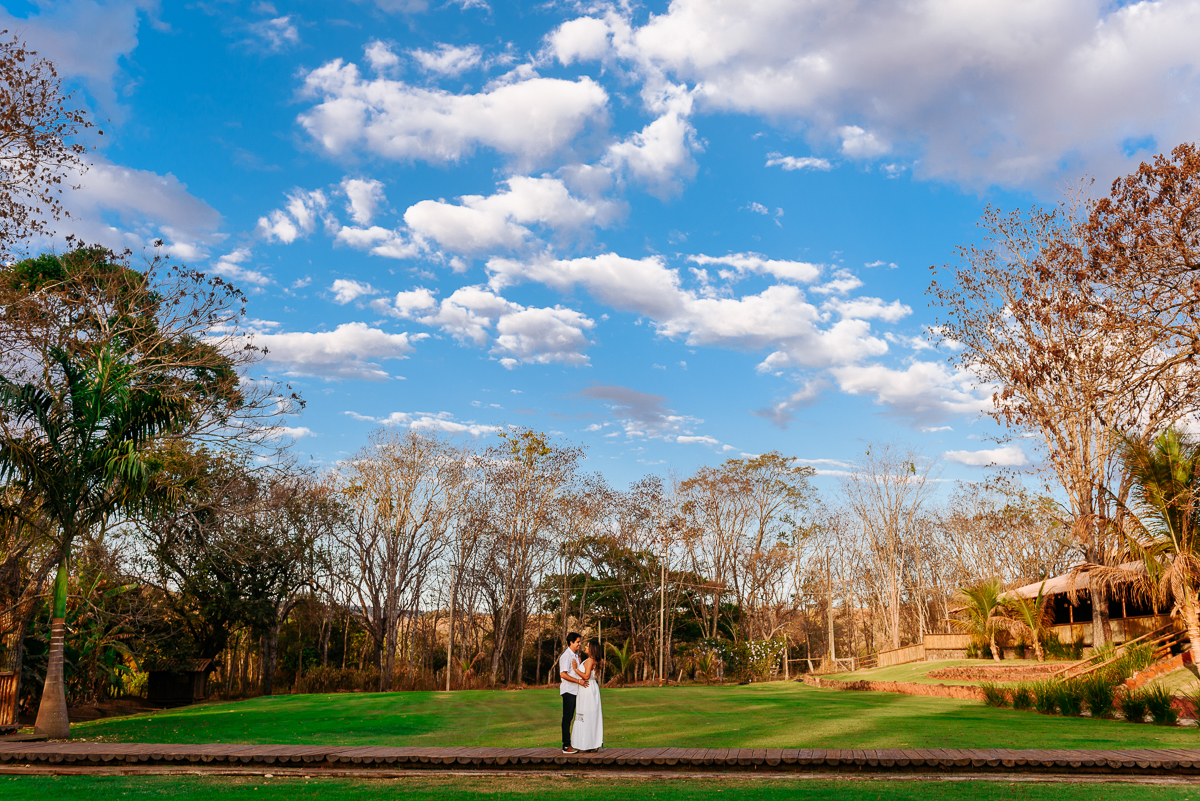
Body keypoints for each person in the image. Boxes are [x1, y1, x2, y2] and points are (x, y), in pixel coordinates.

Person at [571, 639, 604, 752]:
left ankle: (588, 743)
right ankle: (592, 743)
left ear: (592, 649)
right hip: (591, 688)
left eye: (587, 646)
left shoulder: (590, 660)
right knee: (591, 715)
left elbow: (586, 676)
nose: (585, 647)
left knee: (586, 715)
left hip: (587, 689)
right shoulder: (591, 660)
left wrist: (575, 668)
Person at [558, 632, 588, 753]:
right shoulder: (566, 656)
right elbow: (563, 674)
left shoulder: (575, 655)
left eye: (580, 642)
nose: (580, 644)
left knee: (578, 717)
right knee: (568, 717)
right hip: (569, 690)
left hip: (576, 691)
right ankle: (566, 745)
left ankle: (579, 742)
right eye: (578, 642)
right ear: (571, 642)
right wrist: (578, 681)